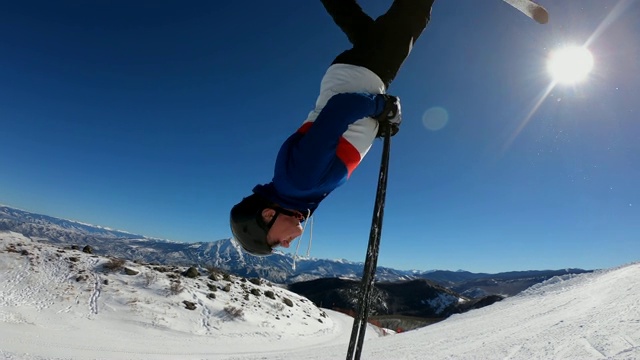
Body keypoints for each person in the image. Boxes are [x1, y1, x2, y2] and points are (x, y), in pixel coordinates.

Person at [230, 0, 435, 256]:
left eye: (274, 242)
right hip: (353, 72)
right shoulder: (294, 191)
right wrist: (377, 124)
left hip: (365, 73)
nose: (284, 245)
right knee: (359, 24)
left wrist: (382, 107)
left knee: (414, 14)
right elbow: (338, 130)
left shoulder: (300, 181)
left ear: (268, 214)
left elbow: (342, 108)